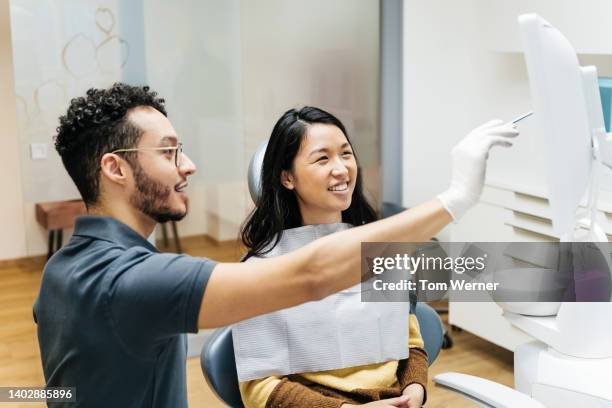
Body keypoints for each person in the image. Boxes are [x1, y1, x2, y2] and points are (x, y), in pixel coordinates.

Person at [33, 83, 517, 407]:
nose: (189, 165)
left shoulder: (61, 270)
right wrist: (456, 198)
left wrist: (19, 397)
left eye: (346, 154)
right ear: (115, 168)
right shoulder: (138, 282)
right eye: (169, 151)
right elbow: (312, 276)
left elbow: (56, 392)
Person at [238, 106, 429, 408]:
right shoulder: (262, 271)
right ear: (287, 177)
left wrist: (415, 391)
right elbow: (259, 388)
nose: (341, 169)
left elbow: (410, 344)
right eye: (322, 158)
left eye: (346, 153)